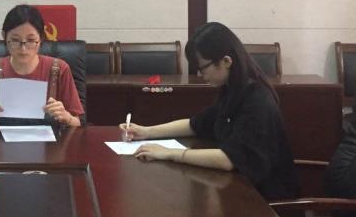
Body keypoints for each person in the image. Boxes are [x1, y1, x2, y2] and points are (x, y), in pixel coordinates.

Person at [119, 22, 298, 200]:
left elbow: (228, 159)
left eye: (202, 68)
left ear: (226, 61)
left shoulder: (257, 100)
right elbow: (195, 124)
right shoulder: (232, 90)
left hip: (268, 204)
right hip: (241, 192)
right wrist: (146, 132)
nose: (200, 75)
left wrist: (168, 153)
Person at [0, 5, 84, 127]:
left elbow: (77, 123)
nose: (23, 49)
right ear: (4, 36)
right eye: (15, 40)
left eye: (31, 40)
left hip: (49, 138)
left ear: (41, 38)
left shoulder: (59, 69)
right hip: (3, 138)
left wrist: (66, 117)